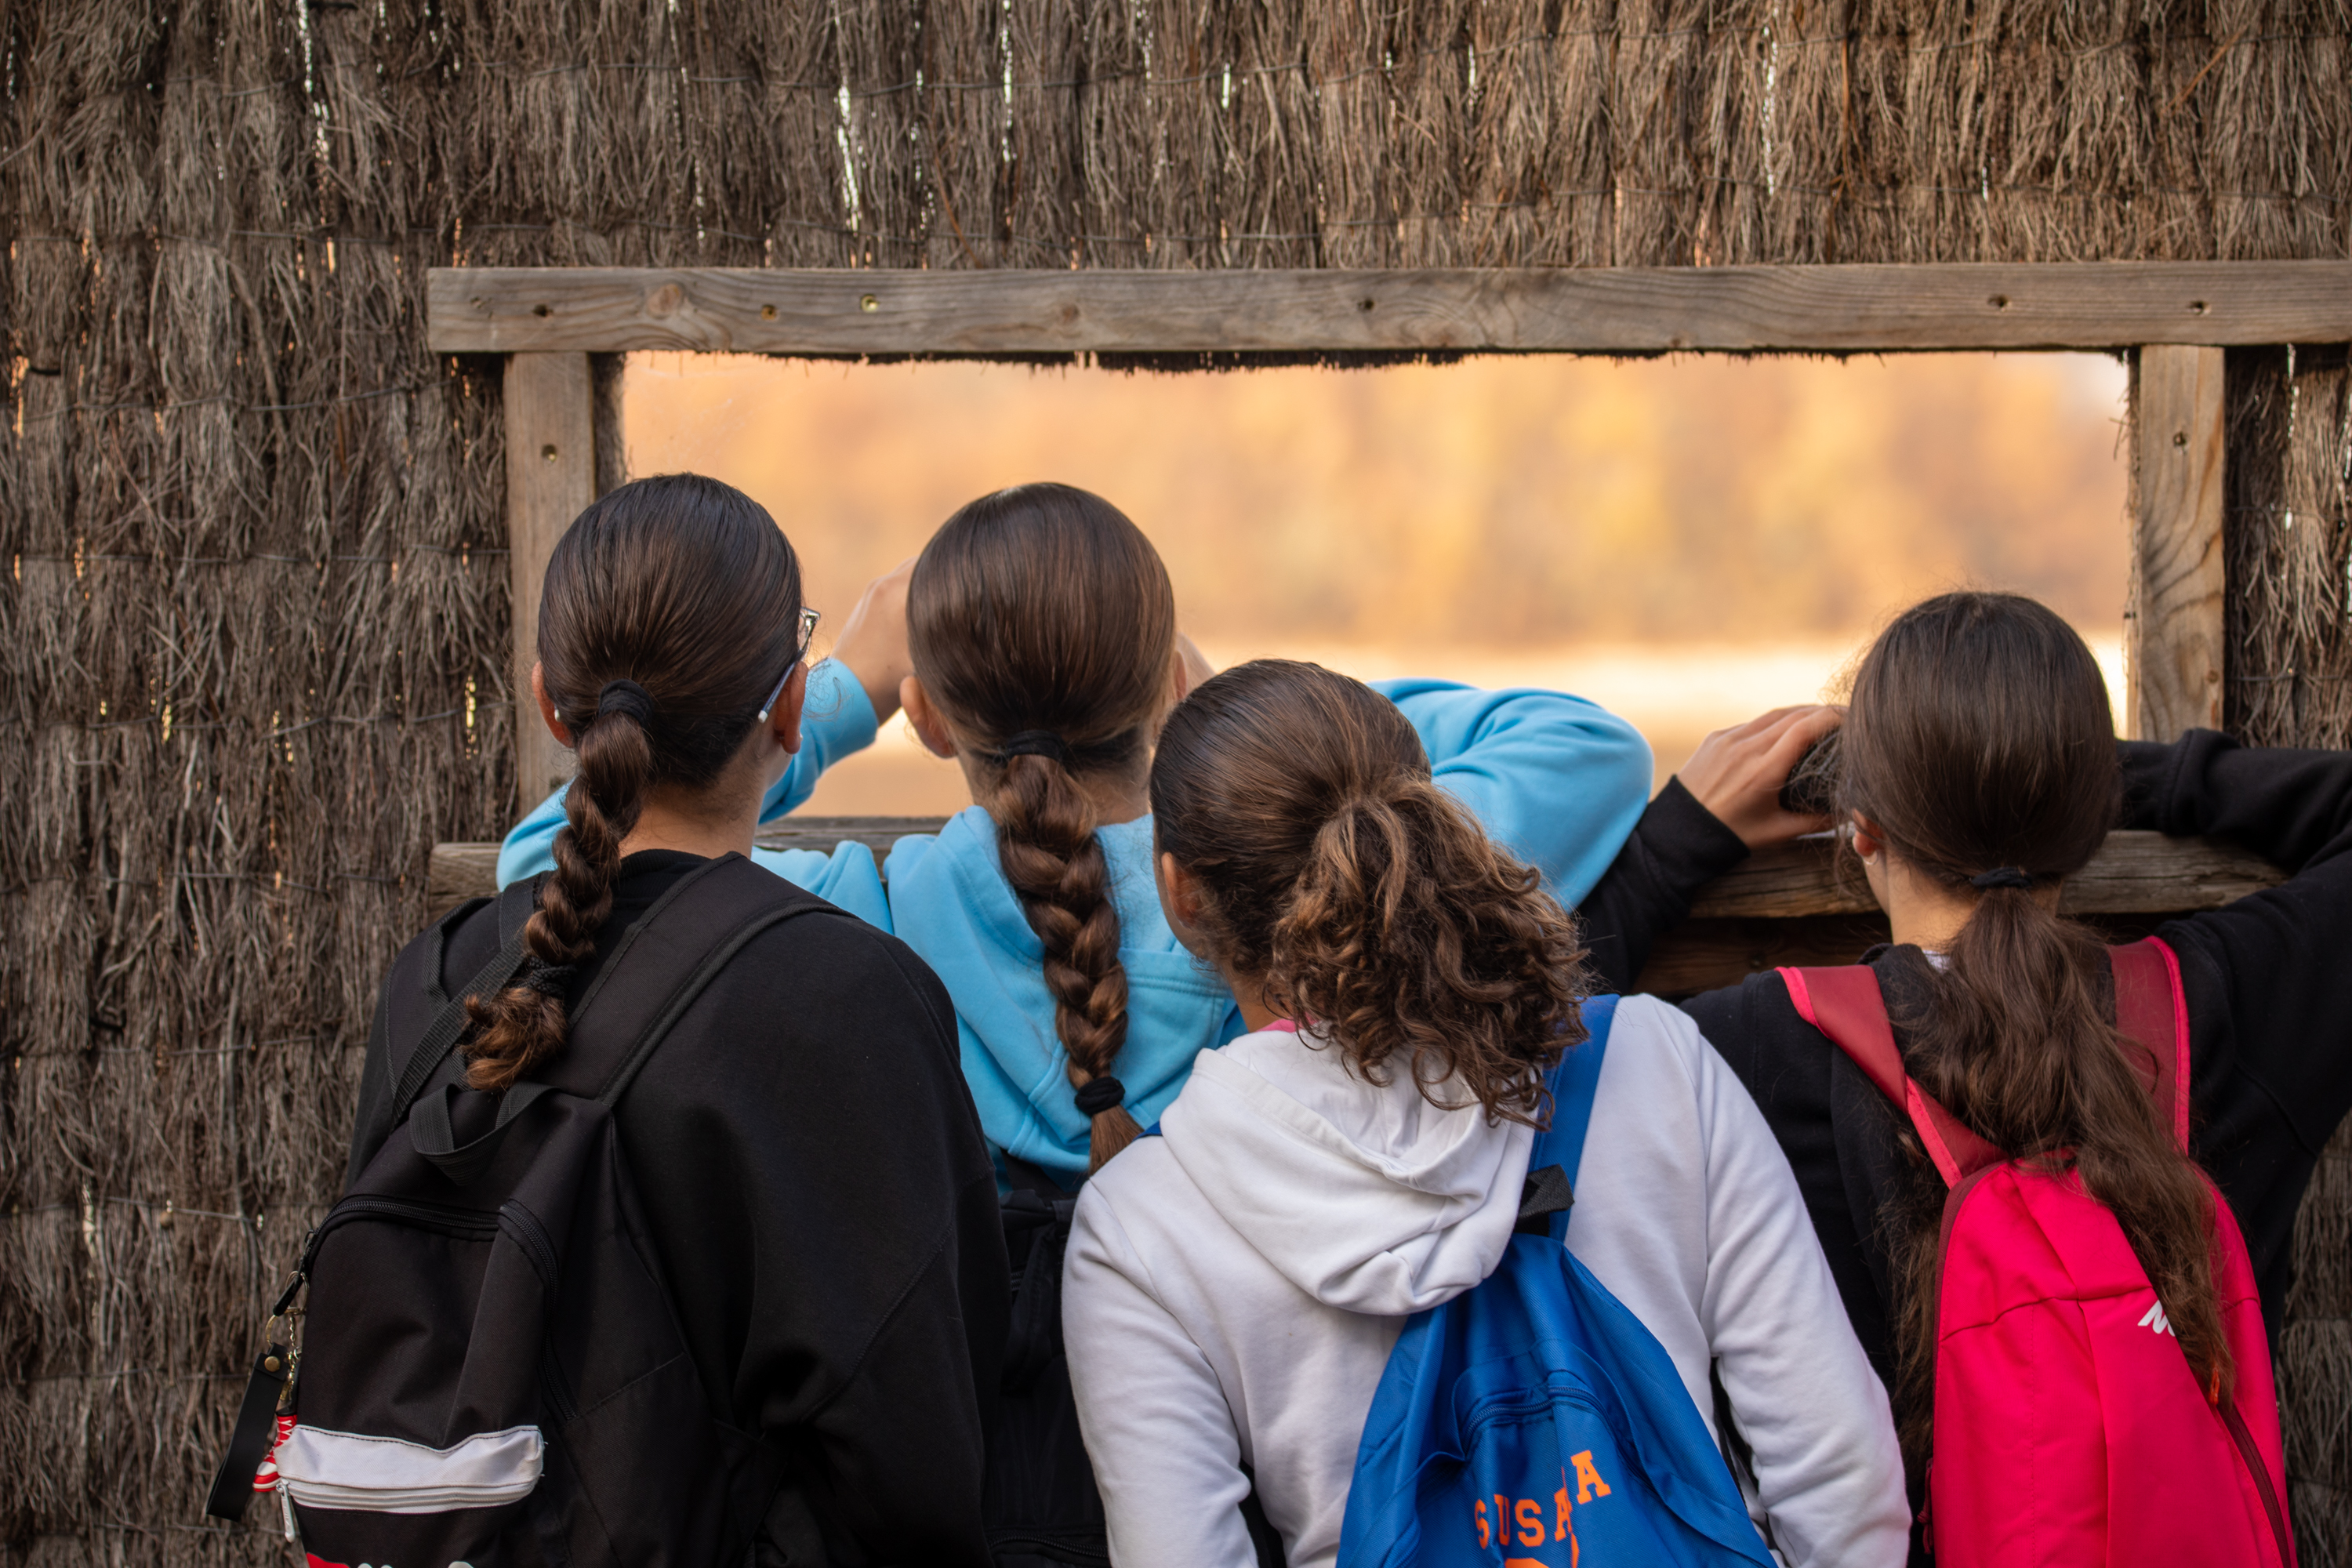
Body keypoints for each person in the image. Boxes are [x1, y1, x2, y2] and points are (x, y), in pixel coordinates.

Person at [498, 482, 1657, 1185]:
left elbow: (559, 857)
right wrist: (1250, 719)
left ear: (932, 723)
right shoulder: (1284, 884)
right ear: (1162, 688)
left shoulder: (867, 912)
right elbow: (1589, 750)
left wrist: (842, 682)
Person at [1062, 659, 1910, 1568]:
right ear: (1427, 822)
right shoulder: (1648, 1058)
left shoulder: (1141, 1224)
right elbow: (1843, 1478)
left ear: (1180, 890)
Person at [1588, 589, 2352, 1558]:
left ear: (1862, 825)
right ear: (2089, 822)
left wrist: (1677, 841)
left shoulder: (1753, 1048)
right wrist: (2096, 776)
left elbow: (1501, 1054)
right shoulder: (2229, 1007)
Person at [344, 474, 1009, 1565]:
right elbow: (919, 1436)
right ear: (792, 709)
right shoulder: (851, 995)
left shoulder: (437, 978)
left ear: (551, 707)